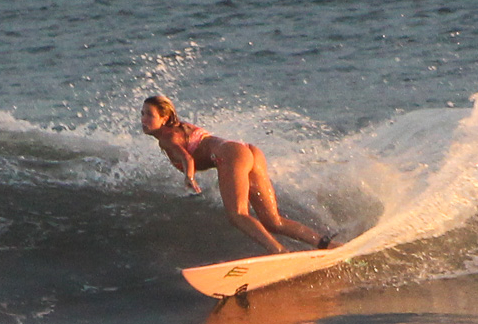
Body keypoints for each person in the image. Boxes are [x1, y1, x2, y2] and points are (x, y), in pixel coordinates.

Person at [140, 95, 337, 254]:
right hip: (248, 151)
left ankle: (279, 251)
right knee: (273, 221)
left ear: (164, 118)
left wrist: (189, 177)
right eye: (142, 114)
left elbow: (188, 159)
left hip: (231, 155)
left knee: (237, 215)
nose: (144, 120)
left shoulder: (166, 138)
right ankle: (325, 244)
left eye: (150, 115)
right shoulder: (181, 127)